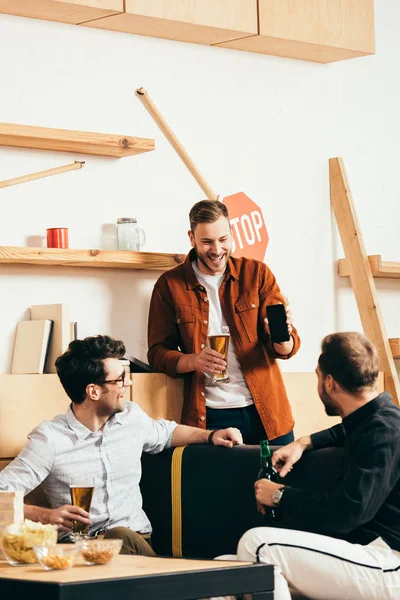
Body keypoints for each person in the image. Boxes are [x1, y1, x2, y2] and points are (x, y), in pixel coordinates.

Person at [0, 335, 242, 556]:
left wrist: (211, 435)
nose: (128, 385)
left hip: (136, 542)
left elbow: (167, 433)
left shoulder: (131, 418)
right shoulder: (50, 439)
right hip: (79, 551)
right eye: (120, 379)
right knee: (118, 536)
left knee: (121, 536)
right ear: (93, 391)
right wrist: (46, 516)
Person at [236, 332, 400, 600]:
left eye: (317, 376)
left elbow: (348, 513)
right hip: (366, 555)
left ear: (330, 383)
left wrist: (279, 495)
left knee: (258, 544)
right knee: (227, 571)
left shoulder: (385, 431)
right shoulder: (376, 418)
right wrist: (304, 442)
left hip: (387, 562)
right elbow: (347, 431)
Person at [147, 200, 300, 446]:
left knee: (276, 485)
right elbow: (157, 353)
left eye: (223, 239)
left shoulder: (257, 274)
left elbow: (285, 350)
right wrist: (193, 360)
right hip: (209, 416)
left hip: (268, 414)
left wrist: (281, 334)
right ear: (191, 238)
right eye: (207, 241)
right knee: (219, 486)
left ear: (231, 234)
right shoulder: (169, 285)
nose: (217, 250)